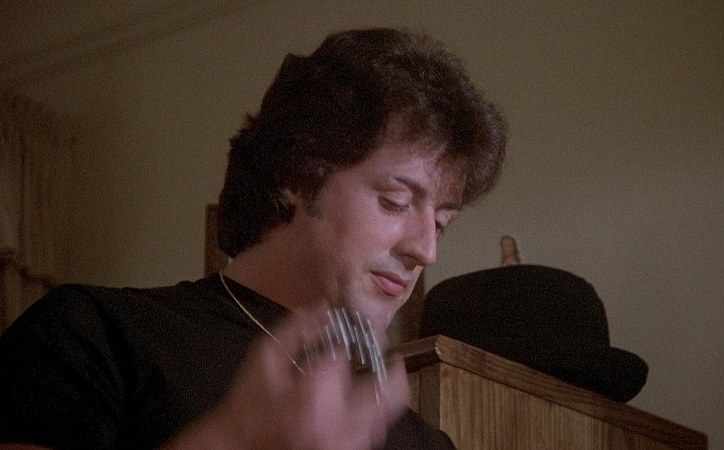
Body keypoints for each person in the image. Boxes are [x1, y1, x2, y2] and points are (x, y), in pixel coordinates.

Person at [0, 28, 506, 449]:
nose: (426, 250)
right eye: (395, 201)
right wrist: (234, 439)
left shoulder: (426, 442)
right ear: (298, 175)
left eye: (442, 223)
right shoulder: (91, 336)